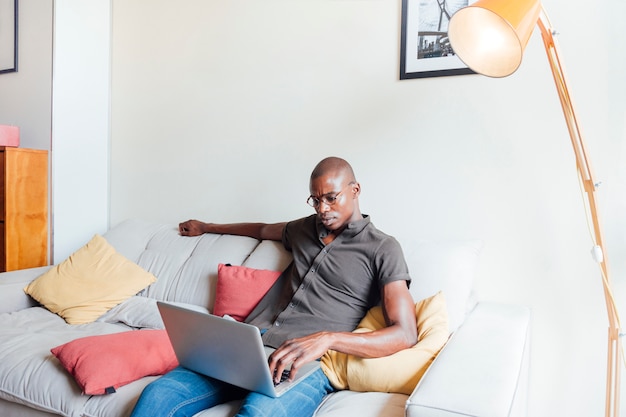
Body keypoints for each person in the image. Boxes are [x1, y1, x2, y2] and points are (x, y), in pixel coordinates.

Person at [130, 156, 417, 417]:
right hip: (247, 342)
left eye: (331, 198)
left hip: (304, 360)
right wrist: (207, 226)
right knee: (158, 395)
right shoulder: (304, 229)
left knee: (258, 415)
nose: (322, 209)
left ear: (355, 190)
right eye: (315, 201)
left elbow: (405, 333)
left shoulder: (383, 248)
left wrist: (328, 339)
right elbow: (262, 229)